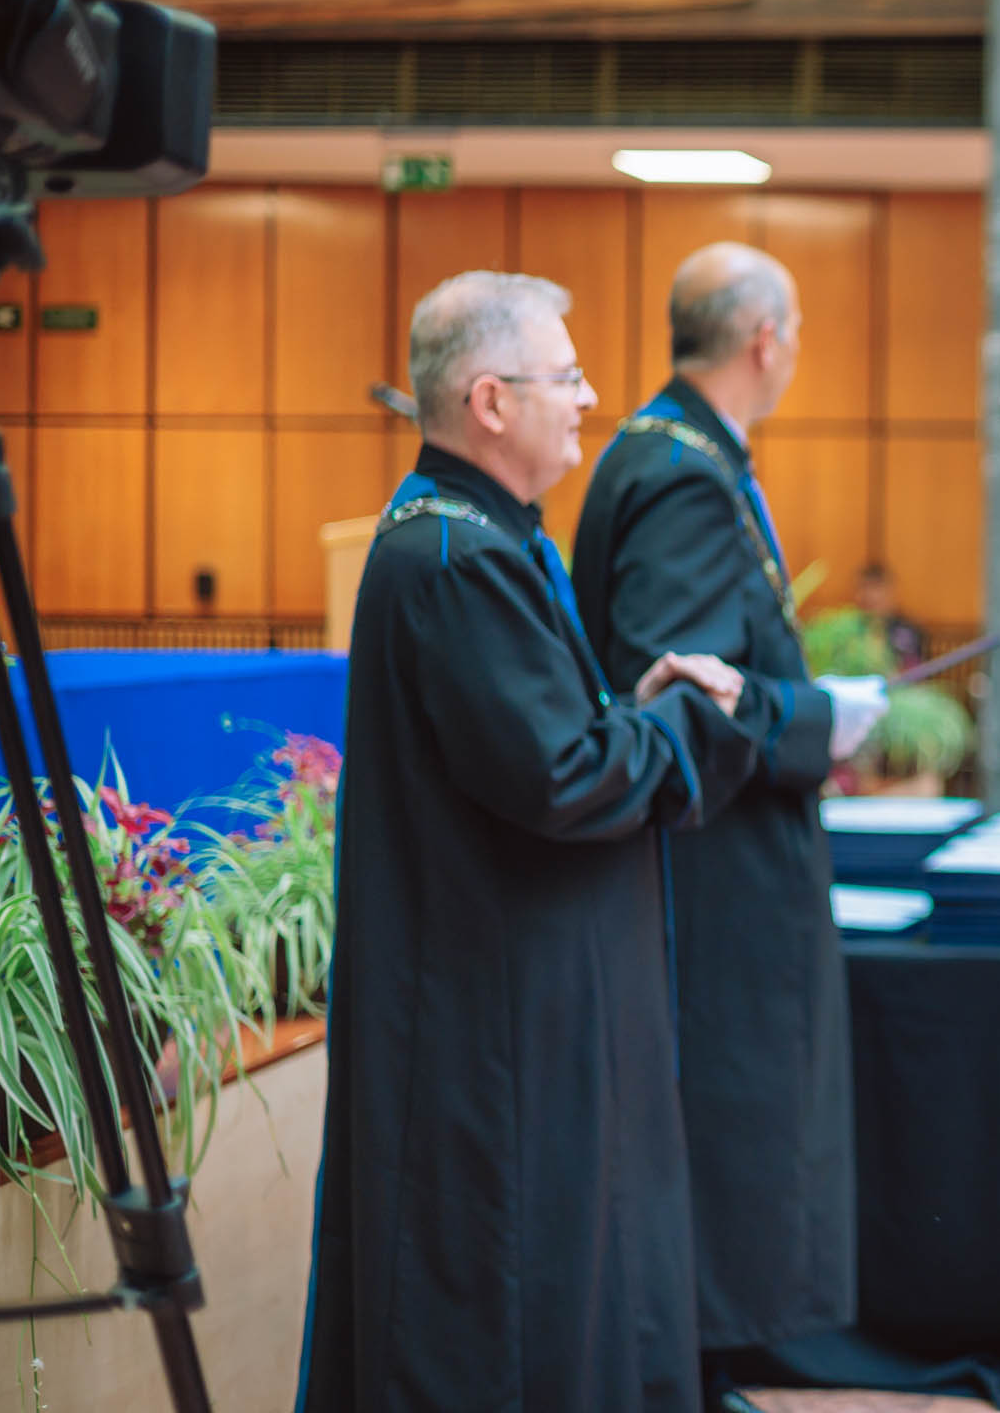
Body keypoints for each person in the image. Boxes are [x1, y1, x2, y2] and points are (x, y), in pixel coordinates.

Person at [297, 272, 773, 1413]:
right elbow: (559, 777)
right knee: (502, 1302)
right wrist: (682, 719)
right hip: (491, 1023)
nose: (590, 398)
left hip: (511, 994)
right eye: (566, 377)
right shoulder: (456, 558)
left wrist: (630, 704)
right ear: (492, 401)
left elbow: (543, 736)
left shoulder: (474, 537)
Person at [571, 242, 888, 1412]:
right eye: (794, 331)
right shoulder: (685, 476)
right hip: (708, 873)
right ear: (766, 340)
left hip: (708, 857)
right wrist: (816, 718)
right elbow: (685, 692)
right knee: (720, 1114)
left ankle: (695, 1362)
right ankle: (687, 1368)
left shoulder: (673, 449)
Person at [856, 561, 928, 669]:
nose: (868, 595)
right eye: (862, 587)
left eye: (876, 587)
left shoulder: (905, 631)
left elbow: (912, 671)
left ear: (891, 592)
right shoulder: (851, 628)